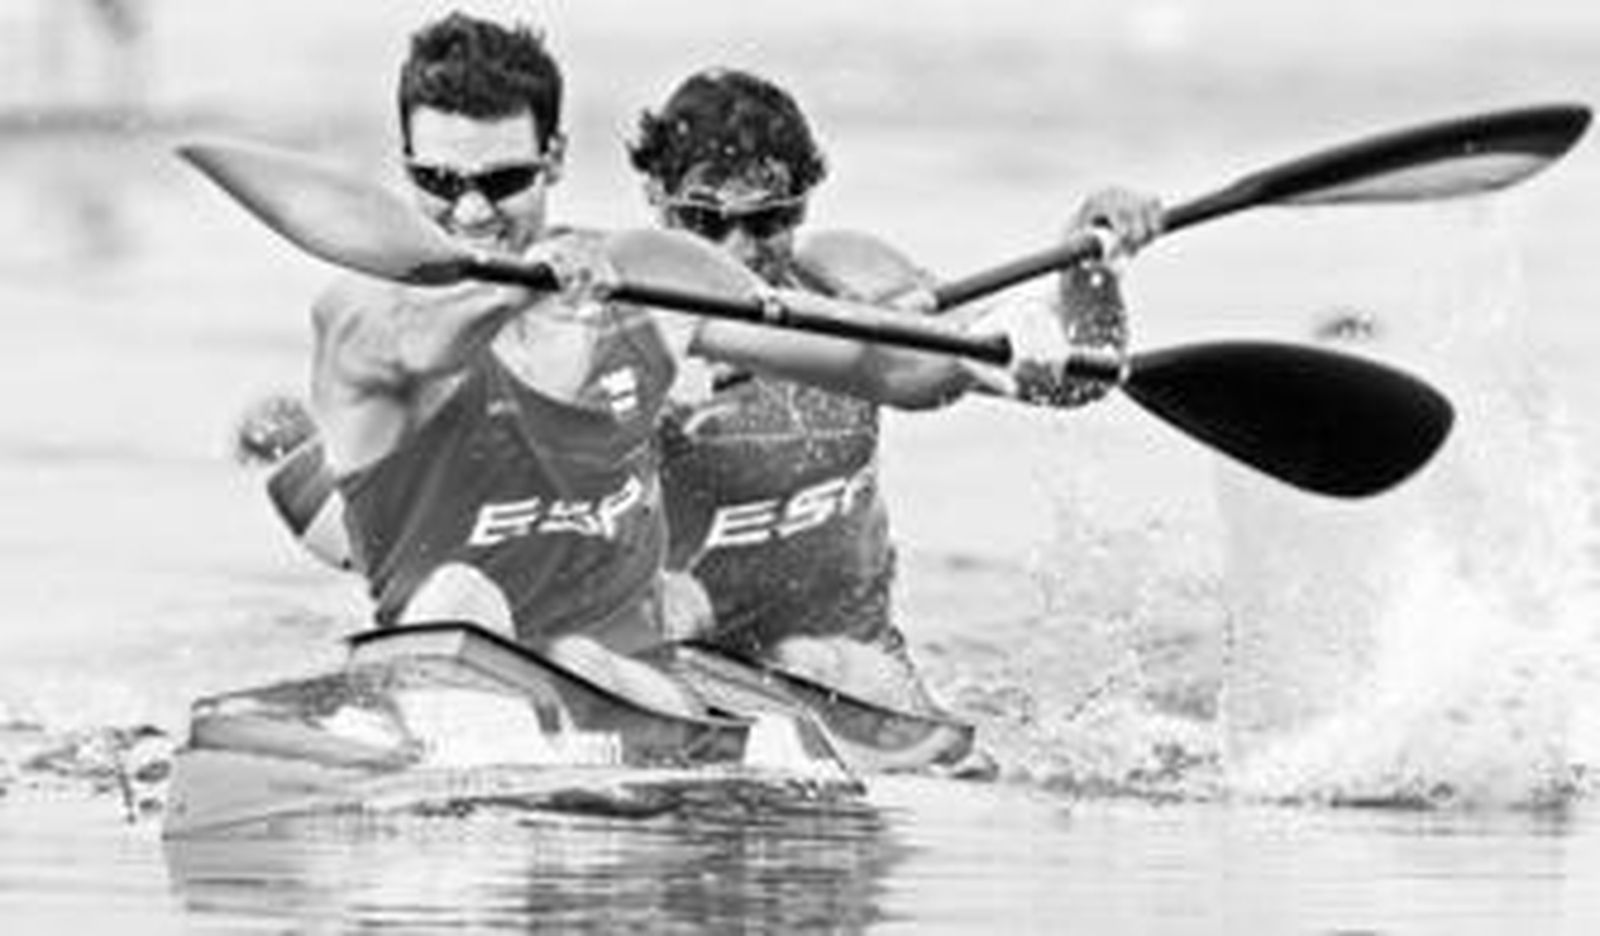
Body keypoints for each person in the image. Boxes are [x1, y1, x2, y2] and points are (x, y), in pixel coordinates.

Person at [244, 14, 1160, 724]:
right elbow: (410, 366)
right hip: (666, 645)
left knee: (827, 667)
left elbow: (995, 377)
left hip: (832, 667)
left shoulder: (822, 278)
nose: (742, 250)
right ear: (658, 204)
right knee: (482, 596)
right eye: (707, 222)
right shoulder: (622, 313)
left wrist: (1043, 305)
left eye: (770, 220)